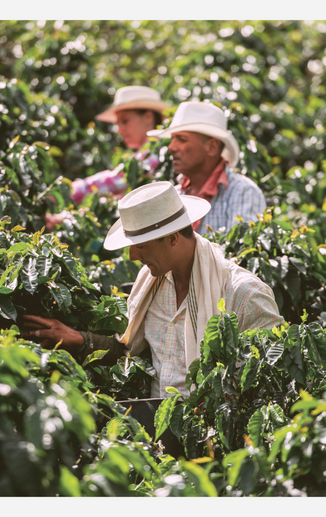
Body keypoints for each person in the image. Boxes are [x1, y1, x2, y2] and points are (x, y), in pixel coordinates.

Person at [22, 182, 283, 398]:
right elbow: (128, 350)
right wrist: (80, 339)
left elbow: (272, 382)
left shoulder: (244, 294)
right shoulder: (152, 283)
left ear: (172, 239)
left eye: (141, 246)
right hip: (159, 435)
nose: (133, 255)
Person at [46, 85, 166, 230]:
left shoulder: (158, 151)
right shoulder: (144, 154)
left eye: (125, 121)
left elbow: (118, 180)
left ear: (148, 117)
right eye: (118, 123)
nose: (120, 130)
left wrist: (64, 193)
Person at [149, 101, 267, 234]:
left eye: (182, 139)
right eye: (172, 139)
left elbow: (240, 252)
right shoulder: (174, 196)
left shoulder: (242, 192)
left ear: (212, 147)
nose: (171, 147)